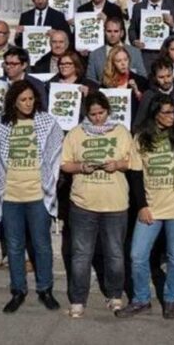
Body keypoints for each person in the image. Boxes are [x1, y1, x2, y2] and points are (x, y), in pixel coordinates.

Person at [116, 95, 174, 320]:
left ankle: (171, 299)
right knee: (137, 255)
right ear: (155, 113)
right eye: (166, 112)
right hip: (151, 206)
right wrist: (142, 206)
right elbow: (135, 175)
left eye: (173, 112)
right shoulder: (141, 138)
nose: (171, 116)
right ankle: (141, 299)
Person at [0, 81, 63, 313]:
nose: (28, 104)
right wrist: (0, 184)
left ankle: (45, 289)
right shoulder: (3, 125)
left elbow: (55, 154)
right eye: (23, 100)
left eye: (31, 99)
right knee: (15, 246)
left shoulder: (47, 123)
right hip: (11, 196)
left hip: (38, 194)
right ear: (14, 102)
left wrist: (48, 181)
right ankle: (18, 290)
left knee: (42, 245)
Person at [61, 91, 133, 318]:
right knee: (81, 253)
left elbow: (133, 161)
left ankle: (114, 295)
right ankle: (78, 299)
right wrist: (81, 167)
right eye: (92, 114)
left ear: (108, 111)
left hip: (115, 203)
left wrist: (118, 164)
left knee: (115, 253)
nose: (97, 118)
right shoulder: (75, 133)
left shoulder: (121, 132)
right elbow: (65, 164)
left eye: (101, 113)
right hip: (83, 203)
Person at [128, 0, 174, 69]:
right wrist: (134, 41)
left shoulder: (172, 9)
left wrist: (172, 25)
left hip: (165, 55)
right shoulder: (138, 7)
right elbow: (132, 29)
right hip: (145, 54)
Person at [133, 58, 174, 129]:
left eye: (168, 76)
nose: (166, 80)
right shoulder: (148, 96)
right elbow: (137, 126)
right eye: (161, 77)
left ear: (173, 74)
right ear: (154, 77)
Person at [84, 16, 147, 83]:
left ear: (122, 33)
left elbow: (143, 77)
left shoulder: (134, 52)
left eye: (116, 31)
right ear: (104, 32)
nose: (112, 34)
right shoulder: (95, 55)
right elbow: (90, 81)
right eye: (109, 31)